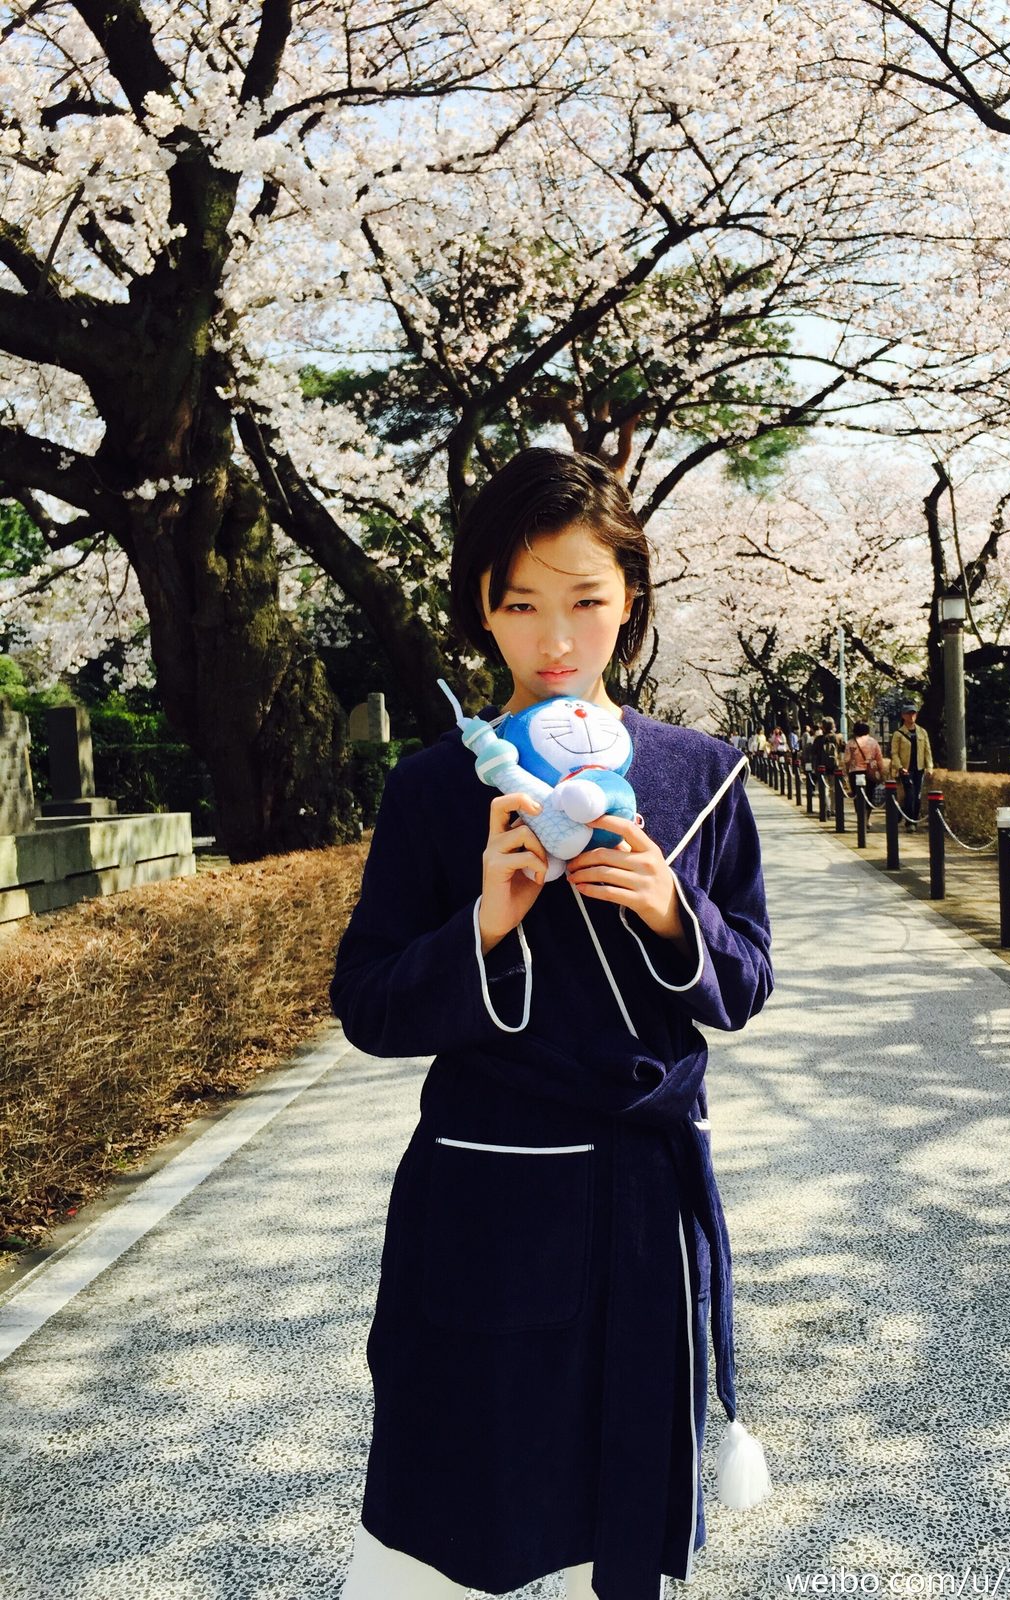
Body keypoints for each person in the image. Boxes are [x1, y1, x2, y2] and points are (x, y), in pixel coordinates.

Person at [330, 447, 775, 1600]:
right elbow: (368, 1003)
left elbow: (748, 980)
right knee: (466, 1510)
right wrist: (484, 922)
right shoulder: (437, 786)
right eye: (522, 604)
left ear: (631, 597)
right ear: (482, 604)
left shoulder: (705, 775)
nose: (558, 639)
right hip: (482, 1198)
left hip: (646, 1201)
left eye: (587, 599)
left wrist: (680, 918)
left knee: (627, 1516)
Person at [890, 701, 934, 830]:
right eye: (908, 714)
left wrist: (929, 767)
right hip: (906, 769)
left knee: (917, 795)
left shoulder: (922, 732)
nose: (911, 716)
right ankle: (910, 823)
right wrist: (899, 767)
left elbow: (927, 751)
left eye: (913, 714)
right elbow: (894, 753)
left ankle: (913, 819)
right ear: (903, 716)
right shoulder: (898, 734)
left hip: (919, 767)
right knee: (910, 793)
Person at [844, 719, 885, 826]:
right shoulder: (873, 742)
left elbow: (847, 761)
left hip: (855, 772)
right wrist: (881, 772)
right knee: (869, 796)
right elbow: (879, 759)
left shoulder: (851, 743)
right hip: (869, 772)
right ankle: (866, 818)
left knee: (857, 796)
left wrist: (847, 772)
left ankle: (860, 818)